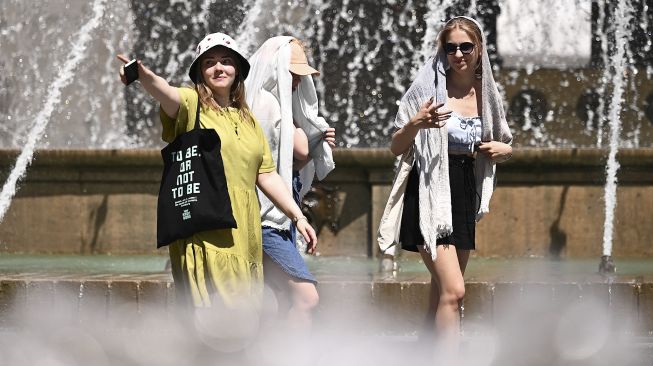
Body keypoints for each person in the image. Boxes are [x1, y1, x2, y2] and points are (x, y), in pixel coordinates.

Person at [117, 33, 317, 315]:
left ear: (238, 70)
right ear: (200, 71)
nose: (219, 68)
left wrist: (298, 217)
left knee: (244, 312)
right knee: (216, 314)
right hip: (207, 228)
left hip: (244, 231)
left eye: (226, 61)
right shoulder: (191, 105)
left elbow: (267, 175)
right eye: (209, 62)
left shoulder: (247, 120)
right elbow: (166, 92)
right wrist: (143, 74)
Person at [379, 16, 513, 360]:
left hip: (464, 191)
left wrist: (505, 150)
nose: (458, 54)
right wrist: (415, 123)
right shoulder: (428, 89)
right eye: (450, 47)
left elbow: (503, 139)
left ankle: (423, 356)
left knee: (441, 293)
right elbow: (396, 146)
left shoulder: (486, 93)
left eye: (465, 46)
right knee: (455, 291)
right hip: (429, 193)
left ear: (479, 49)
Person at [245, 37, 335, 331]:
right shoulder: (265, 104)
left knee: (279, 299)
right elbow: (298, 151)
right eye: (293, 74)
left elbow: (289, 160)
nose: (297, 82)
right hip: (266, 219)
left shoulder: (266, 102)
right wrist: (309, 134)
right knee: (306, 298)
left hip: (278, 214)